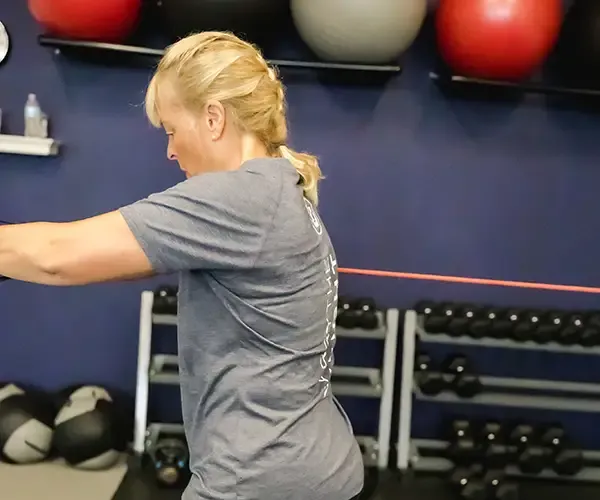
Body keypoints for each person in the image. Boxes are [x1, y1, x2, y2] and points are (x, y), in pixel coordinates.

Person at [0, 31, 364, 500]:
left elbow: (56, 257)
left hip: (260, 480)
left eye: (172, 129)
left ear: (213, 118)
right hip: (318, 467)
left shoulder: (241, 197)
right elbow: (117, 257)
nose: (170, 151)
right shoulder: (278, 190)